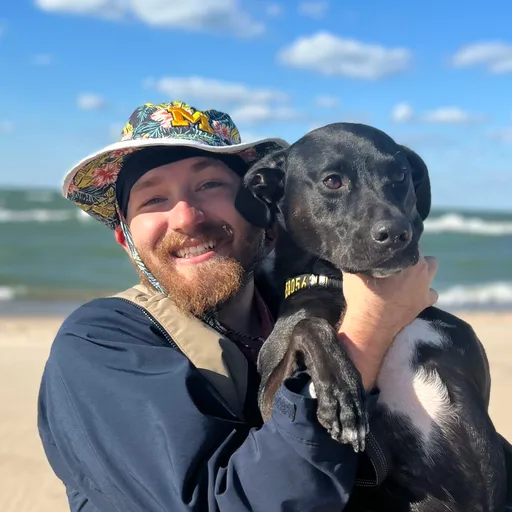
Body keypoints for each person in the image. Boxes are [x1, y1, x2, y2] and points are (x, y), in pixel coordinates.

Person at [38, 100, 438, 512]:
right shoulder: (101, 342)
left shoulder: (304, 304)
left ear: (264, 209)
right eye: (153, 199)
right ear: (127, 241)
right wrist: (373, 323)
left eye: (209, 186)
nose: (186, 218)